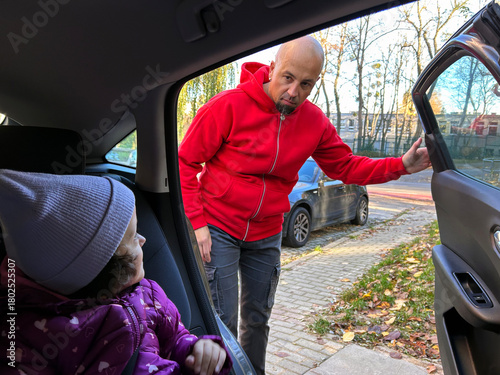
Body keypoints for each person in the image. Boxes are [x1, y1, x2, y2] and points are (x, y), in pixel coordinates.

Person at [178, 36, 431, 374]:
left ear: (315, 83)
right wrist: (197, 223)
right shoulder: (228, 106)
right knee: (221, 322)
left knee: (257, 321)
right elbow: (185, 163)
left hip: (267, 233)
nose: (294, 91)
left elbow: (346, 166)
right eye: (287, 77)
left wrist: (401, 164)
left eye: (306, 83)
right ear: (272, 70)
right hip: (219, 227)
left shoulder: (314, 122)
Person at [0, 169, 233, 375]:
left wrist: (198, 350)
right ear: (98, 267)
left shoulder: (150, 295)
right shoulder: (27, 338)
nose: (143, 240)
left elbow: (176, 339)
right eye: (133, 237)